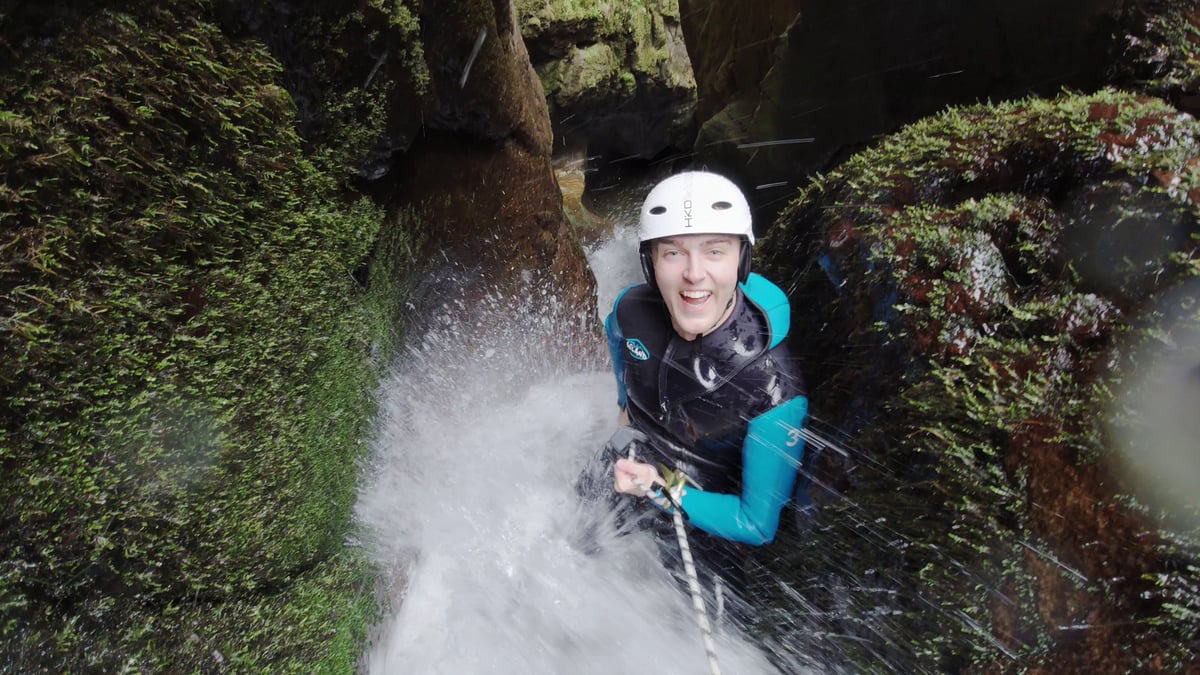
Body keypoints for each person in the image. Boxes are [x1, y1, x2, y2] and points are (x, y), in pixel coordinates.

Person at [581, 169, 809, 619]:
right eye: (672, 254)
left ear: (742, 261)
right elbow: (618, 340)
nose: (693, 274)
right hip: (633, 455)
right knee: (572, 553)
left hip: (705, 505)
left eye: (715, 251)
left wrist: (664, 488)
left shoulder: (773, 391)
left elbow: (756, 523)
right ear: (650, 263)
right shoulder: (632, 309)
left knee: (701, 623)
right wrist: (624, 411)